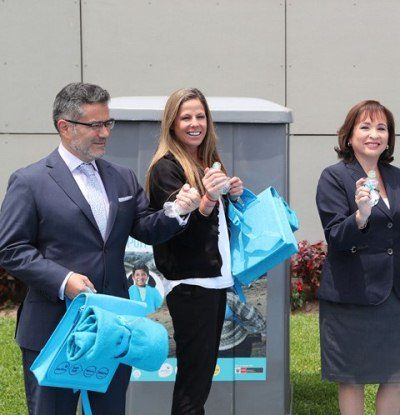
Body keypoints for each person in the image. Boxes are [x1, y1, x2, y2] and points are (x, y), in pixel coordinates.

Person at [0, 82, 199, 415]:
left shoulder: (122, 177)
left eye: (108, 123)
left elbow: (145, 228)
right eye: (95, 125)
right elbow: (11, 248)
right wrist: (64, 280)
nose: (105, 133)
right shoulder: (29, 181)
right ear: (65, 127)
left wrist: (178, 211)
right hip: (53, 329)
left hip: (112, 329)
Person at [315, 100, 400, 415]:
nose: (374, 134)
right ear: (349, 135)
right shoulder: (333, 177)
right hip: (351, 295)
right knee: (351, 379)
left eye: (382, 128)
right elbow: (336, 237)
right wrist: (361, 216)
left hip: (394, 295)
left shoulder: (397, 177)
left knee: (395, 377)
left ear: (389, 137)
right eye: (365, 127)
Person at [146, 87, 243, 415]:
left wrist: (232, 195)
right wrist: (208, 201)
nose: (194, 123)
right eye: (185, 117)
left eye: (200, 116)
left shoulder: (206, 161)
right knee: (193, 383)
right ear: (172, 124)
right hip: (191, 286)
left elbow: (217, 227)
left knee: (198, 380)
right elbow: (177, 235)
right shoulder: (166, 169)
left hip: (213, 283)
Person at [218, 290, 267, 358]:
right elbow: (253, 315)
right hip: (239, 342)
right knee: (242, 363)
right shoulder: (228, 298)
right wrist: (264, 333)